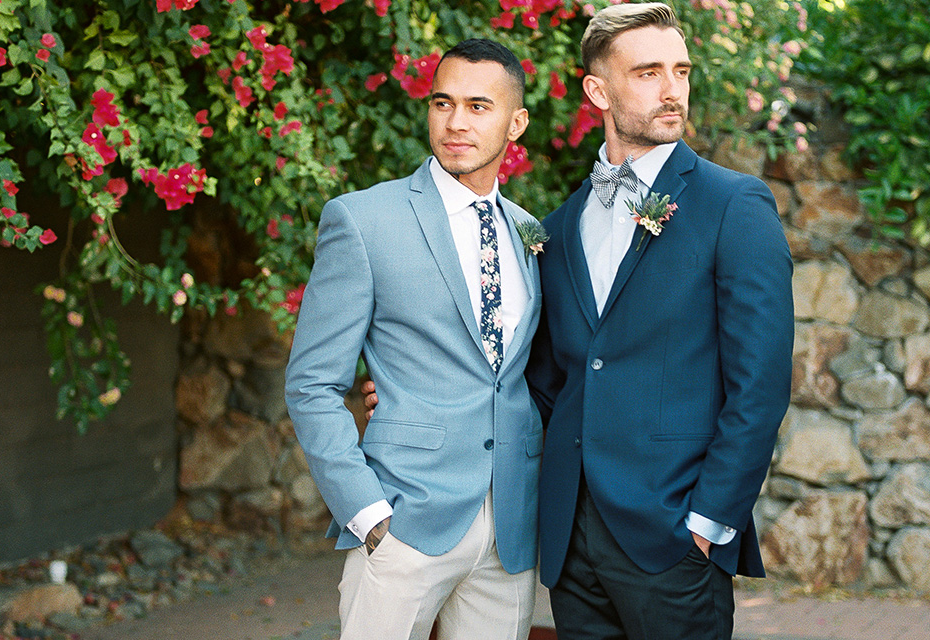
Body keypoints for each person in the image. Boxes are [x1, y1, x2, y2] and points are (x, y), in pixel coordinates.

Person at [526, 3, 794, 639]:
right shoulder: (559, 227)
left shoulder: (735, 204)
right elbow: (548, 381)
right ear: (598, 90)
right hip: (572, 544)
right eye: (647, 72)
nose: (672, 88)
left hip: (674, 539)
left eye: (681, 70)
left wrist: (708, 523)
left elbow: (760, 384)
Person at [284, 39, 544, 640]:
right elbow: (312, 381)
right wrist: (366, 512)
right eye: (442, 102)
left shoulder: (530, 232)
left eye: (479, 106)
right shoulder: (363, 220)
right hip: (403, 519)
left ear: (516, 121)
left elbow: (514, 370)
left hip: (508, 527)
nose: (455, 122)